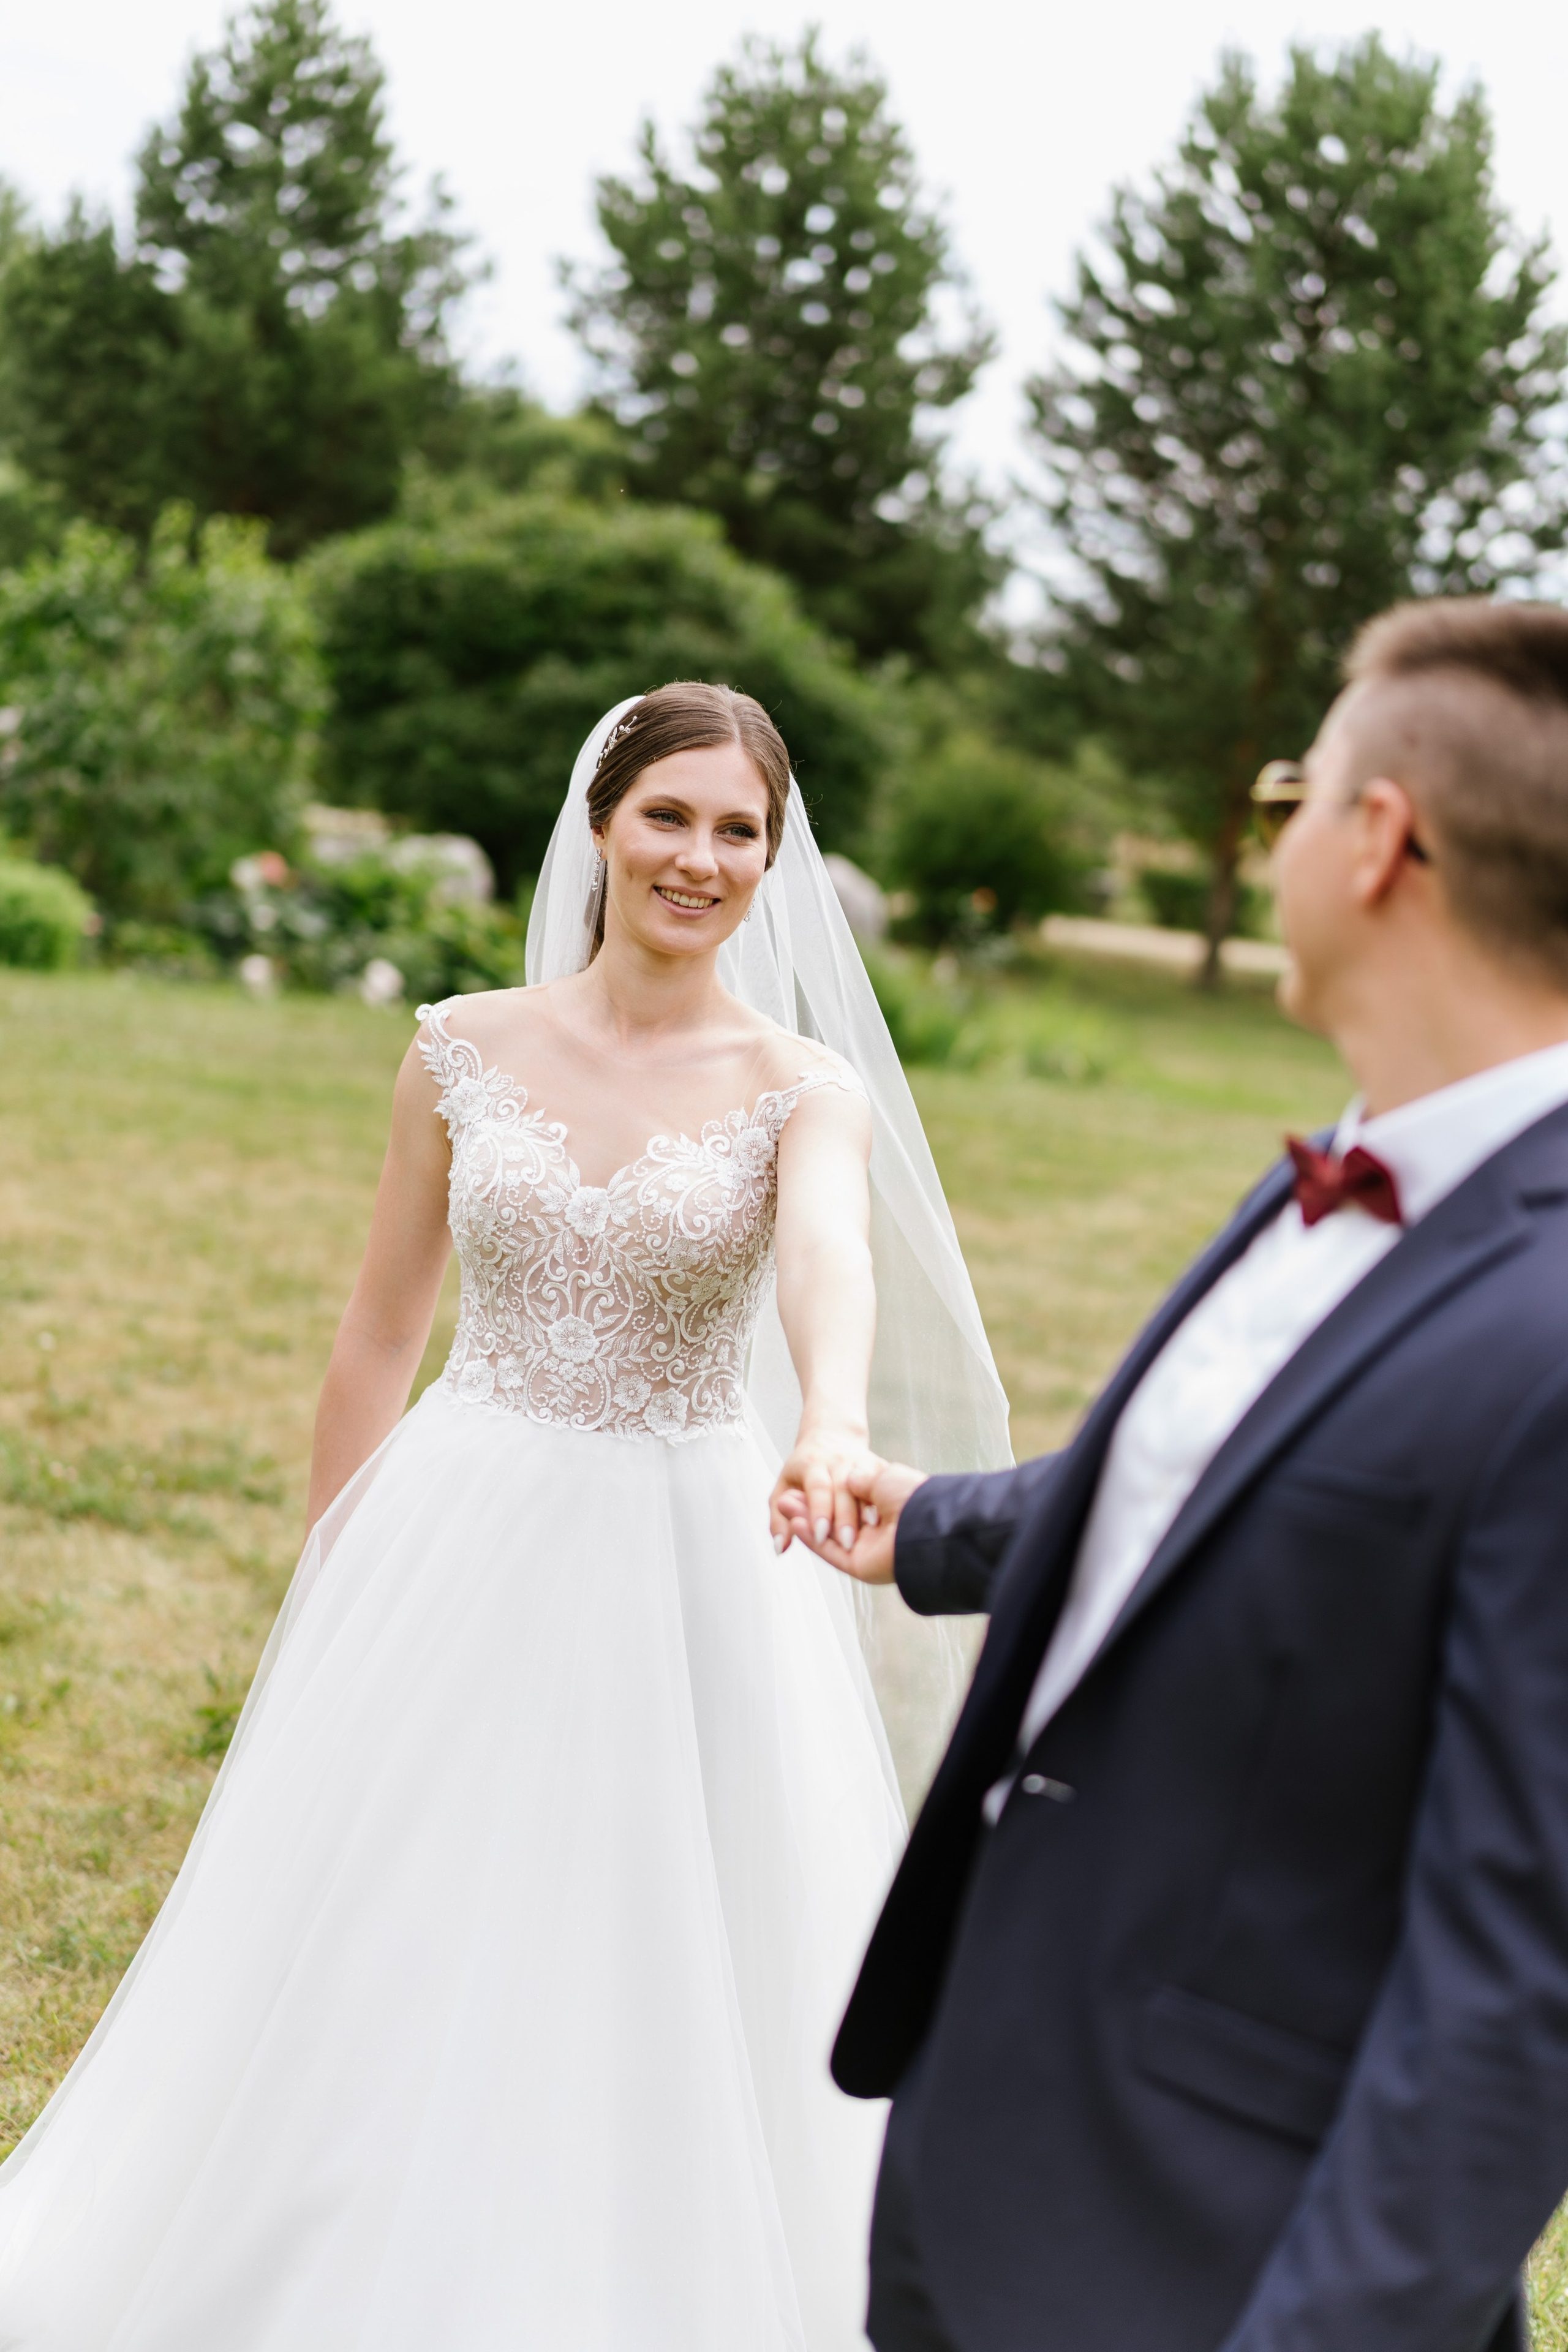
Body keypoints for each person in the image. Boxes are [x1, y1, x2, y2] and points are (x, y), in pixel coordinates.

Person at [0, 684, 1009, 2350]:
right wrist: (337, 1585)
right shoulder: (461, 1047)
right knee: (397, 1901)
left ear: (775, 856)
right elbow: (382, 1332)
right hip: (464, 1523)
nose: (701, 859)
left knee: (670, 1916)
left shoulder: (798, 1083)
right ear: (602, 824)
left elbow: (829, 1255)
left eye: (739, 830)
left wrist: (827, 1417)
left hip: (690, 1542)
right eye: (670, 817)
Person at [783, 600, 1568, 2352]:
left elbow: (1523, 1980)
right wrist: (924, 1521)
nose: (1271, 830)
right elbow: (1220, 1493)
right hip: (991, 2137)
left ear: (1379, 843)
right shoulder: (1349, 1172)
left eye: (1295, 789)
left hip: (1215, 2245)